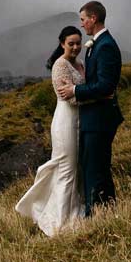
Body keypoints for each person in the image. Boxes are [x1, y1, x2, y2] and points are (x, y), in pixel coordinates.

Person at [14, 26, 86, 235]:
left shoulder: (80, 63)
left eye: (77, 43)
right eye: (70, 43)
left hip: (79, 120)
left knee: (75, 168)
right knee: (66, 167)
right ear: (62, 43)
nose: (75, 47)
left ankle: (70, 208)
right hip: (65, 120)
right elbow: (68, 98)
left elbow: (77, 92)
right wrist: (93, 97)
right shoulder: (60, 65)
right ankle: (59, 220)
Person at [57, 0, 122, 215]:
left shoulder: (105, 46)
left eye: (83, 19)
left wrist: (75, 90)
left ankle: (96, 215)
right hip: (93, 118)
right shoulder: (98, 44)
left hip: (100, 119)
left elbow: (105, 85)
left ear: (93, 18)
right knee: (94, 168)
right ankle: (102, 212)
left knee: (96, 169)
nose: (82, 24)